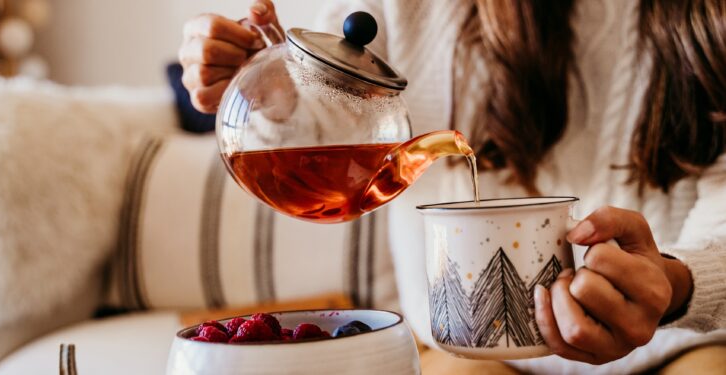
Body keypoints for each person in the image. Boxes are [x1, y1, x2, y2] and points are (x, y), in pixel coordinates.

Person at [178, 0, 726, 373]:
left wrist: (678, 282)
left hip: (676, 339)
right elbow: (328, 117)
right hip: (469, 352)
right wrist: (267, 93)